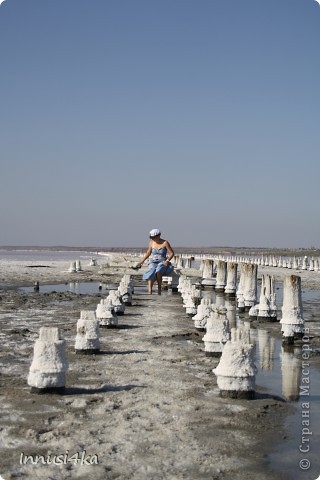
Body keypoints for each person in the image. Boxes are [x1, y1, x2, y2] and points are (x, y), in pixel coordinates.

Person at [137, 228, 174, 295]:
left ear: (158, 236)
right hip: (153, 261)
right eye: (151, 238)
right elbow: (148, 253)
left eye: (154, 237)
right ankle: (150, 291)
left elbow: (171, 253)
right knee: (151, 270)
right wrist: (141, 262)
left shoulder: (165, 243)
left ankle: (159, 289)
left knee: (158, 270)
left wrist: (167, 261)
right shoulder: (151, 243)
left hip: (162, 261)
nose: (152, 239)